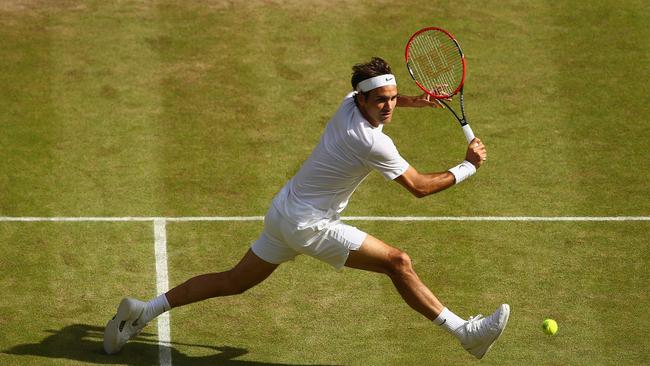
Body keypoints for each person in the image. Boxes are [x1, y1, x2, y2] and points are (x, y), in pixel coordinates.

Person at [104, 57, 509, 360]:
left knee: (235, 281)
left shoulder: (349, 102)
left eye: (391, 99)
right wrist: (467, 166)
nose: (388, 107)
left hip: (283, 211)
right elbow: (419, 187)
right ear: (363, 99)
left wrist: (412, 103)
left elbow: (380, 99)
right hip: (309, 223)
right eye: (381, 101)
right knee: (397, 262)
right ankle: (464, 333)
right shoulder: (372, 143)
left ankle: (144, 310)